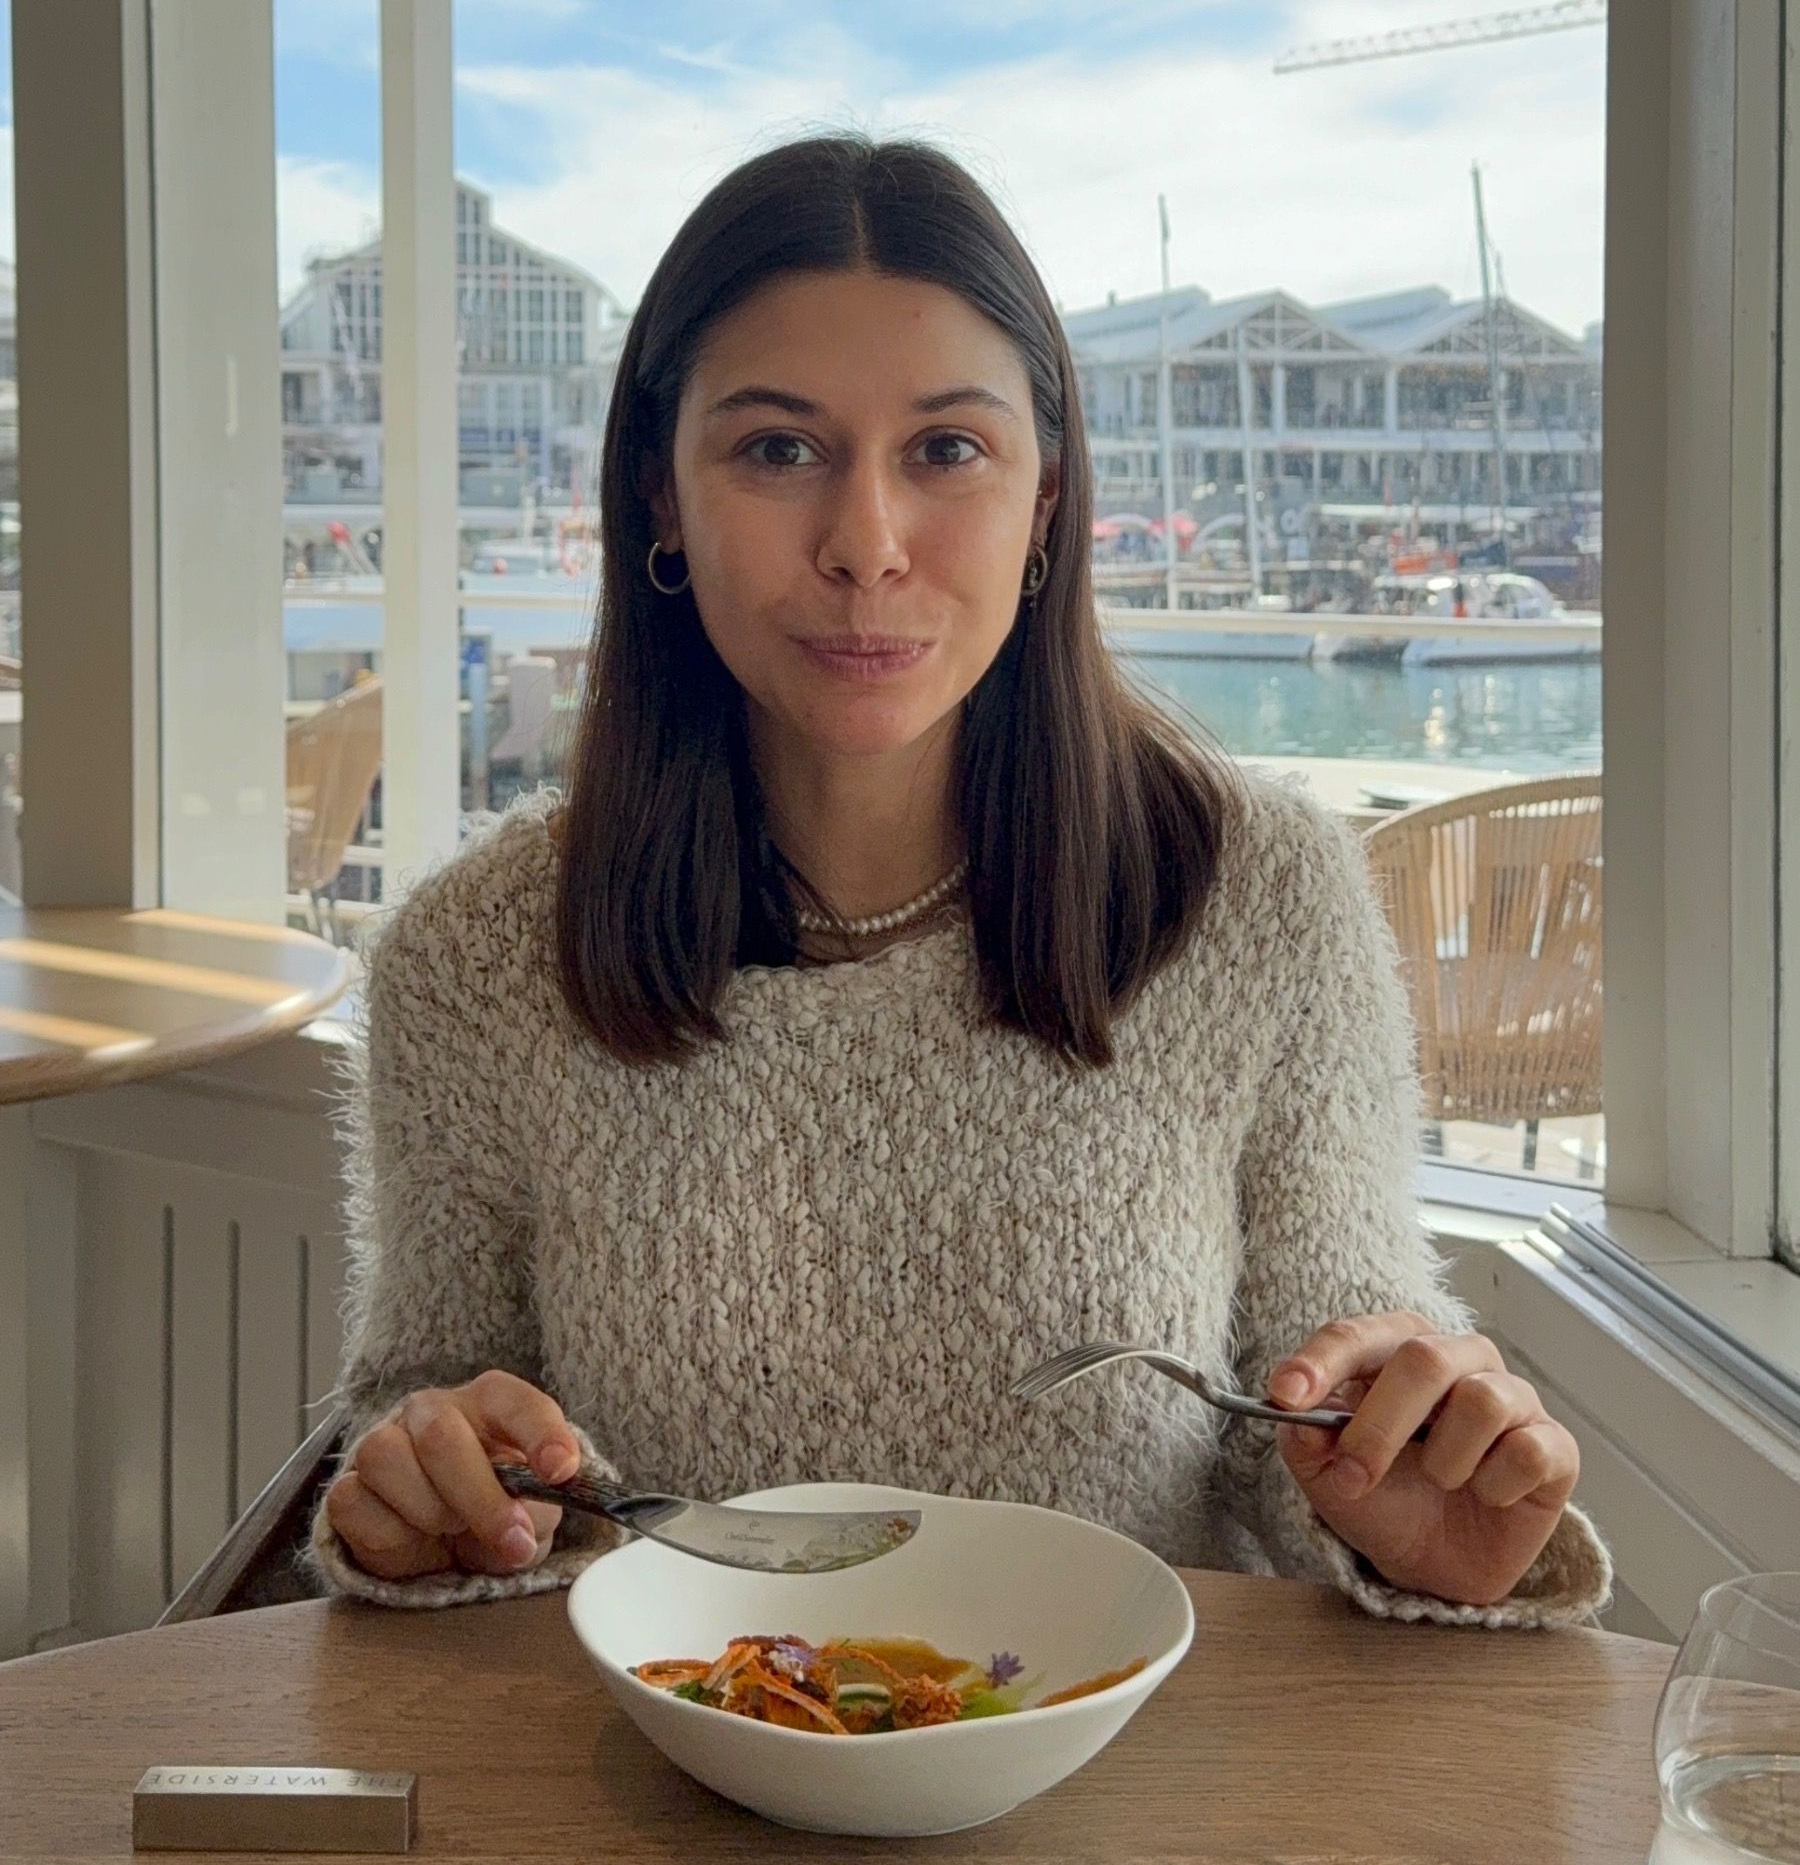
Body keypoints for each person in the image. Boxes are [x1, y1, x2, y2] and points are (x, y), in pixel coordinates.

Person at [305, 133, 1610, 1631]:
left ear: (1046, 498)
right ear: (660, 494)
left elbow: (1317, 1412)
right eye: (777, 448)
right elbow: (419, 1398)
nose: (867, 545)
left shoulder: (1261, 900)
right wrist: (427, 1492)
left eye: (947, 450)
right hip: (653, 1805)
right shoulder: (479, 954)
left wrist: (1413, 1501)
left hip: (1142, 1798)